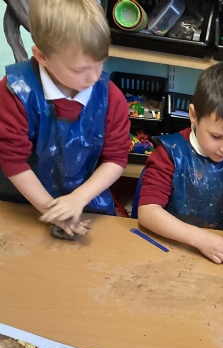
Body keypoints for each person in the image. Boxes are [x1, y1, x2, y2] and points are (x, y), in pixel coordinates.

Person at [0, 0, 130, 237]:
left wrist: (78, 198)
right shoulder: (14, 92)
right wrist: (53, 212)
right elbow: (12, 160)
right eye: (79, 70)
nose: (94, 77)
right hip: (22, 201)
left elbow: (116, 159)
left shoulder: (111, 97)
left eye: (100, 63)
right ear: (42, 56)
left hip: (86, 200)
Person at [137, 61, 223, 264]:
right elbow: (147, 211)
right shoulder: (170, 153)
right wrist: (199, 238)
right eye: (216, 136)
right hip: (171, 249)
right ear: (194, 115)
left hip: (220, 249)